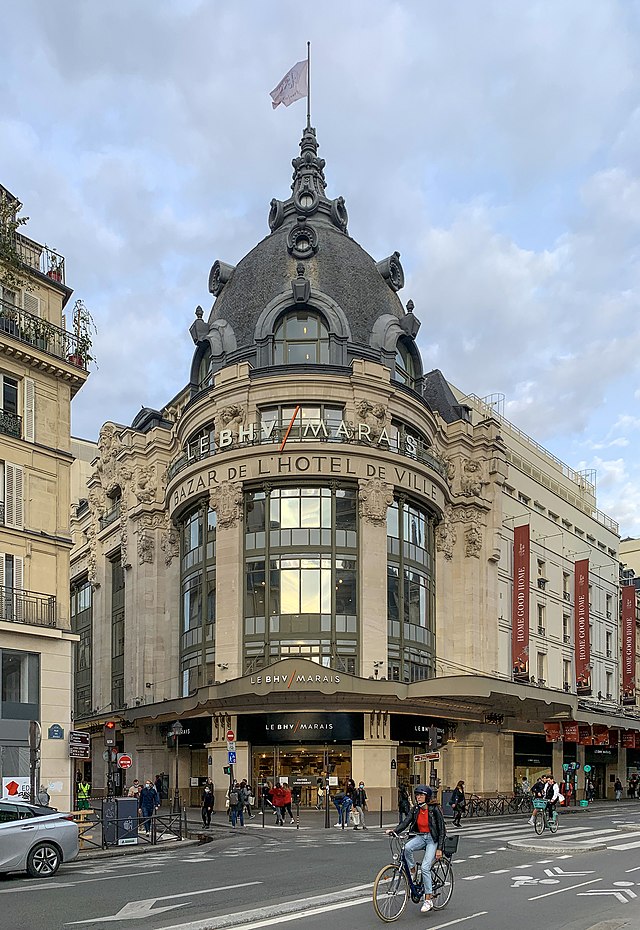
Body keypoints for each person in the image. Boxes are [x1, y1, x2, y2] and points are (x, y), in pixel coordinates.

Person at [387, 785, 446, 914]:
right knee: (406, 847)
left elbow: (442, 830)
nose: (418, 797)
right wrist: (394, 830)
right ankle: (412, 870)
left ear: (427, 796)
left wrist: (439, 848)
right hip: (421, 837)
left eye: (421, 795)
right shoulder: (415, 810)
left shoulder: (434, 810)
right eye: (417, 795)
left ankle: (428, 899)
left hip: (432, 839)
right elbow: (406, 822)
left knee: (425, 867)